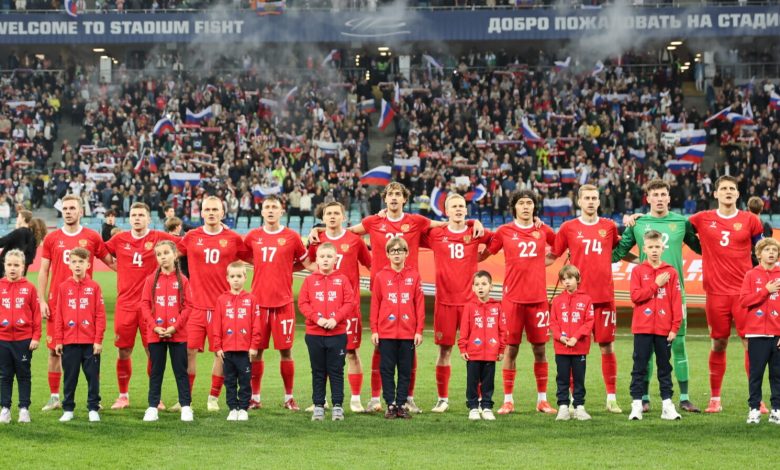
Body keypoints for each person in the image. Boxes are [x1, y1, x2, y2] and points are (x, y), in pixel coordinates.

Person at [309, 181, 482, 413]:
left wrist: (472, 222)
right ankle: (375, 398)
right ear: (385, 198)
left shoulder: (416, 221)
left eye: (398, 194)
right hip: (383, 290)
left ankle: (408, 398)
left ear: (404, 199)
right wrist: (319, 230)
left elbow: (448, 224)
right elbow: (344, 231)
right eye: (390, 194)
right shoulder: (373, 221)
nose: (393, 197)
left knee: (409, 346)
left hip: (409, 291)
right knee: (380, 345)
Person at [614, 179, 701, 413]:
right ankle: (644, 398)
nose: (660, 198)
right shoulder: (638, 223)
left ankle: (684, 398)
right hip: (647, 295)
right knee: (647, 349)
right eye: (655, 195)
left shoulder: (681, 222)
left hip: (675, 295)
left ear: (669, 198)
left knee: (678, 345)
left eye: (663, 194)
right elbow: (618, 252)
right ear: (648, 198)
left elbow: (702, 248)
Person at [689, 176, 765, 413]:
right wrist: (636, 217)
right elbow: (675, 226)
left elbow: (762, 250)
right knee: (718, 343)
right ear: (716, 194)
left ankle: (756, 399)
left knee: (750, 344)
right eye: (723, 188)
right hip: (716, 294)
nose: (728, 191)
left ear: (738, 194)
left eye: (732, 188)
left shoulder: (750, 220)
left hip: (744, 294)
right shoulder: (702, 218)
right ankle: (715, 399)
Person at [550, 184, 622, 413]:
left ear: (599, 201)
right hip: (577, 300)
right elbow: (553, 254)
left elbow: (620, 250)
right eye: (587, 198)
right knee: (572, 349)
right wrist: (527, 263)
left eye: (594, 198)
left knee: (607, 347)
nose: (591, 202)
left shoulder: (609, 226)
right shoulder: (568, 227)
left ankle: (611, 398)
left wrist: (643, 258)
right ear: (579, 201)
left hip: (604, 297)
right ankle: (572, 400)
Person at [38, 194, 113, 412]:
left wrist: (137, 273)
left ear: (81, 211)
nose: (68, 212)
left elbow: (111, 262)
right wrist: (41, 300)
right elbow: (43, 270)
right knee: (54, 351)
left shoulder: (92, 237)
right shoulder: (52, 238)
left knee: (92, 353)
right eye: (65, 208)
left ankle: (94, 398)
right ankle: (55, 397)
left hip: (86, 305)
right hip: (58, 304)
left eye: (72, 208)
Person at [486, 189, 557, 415]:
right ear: (514, 207)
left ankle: (542, 400)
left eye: (529, 203)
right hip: (512, 300)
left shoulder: (543, 230)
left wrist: (542, 262)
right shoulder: (504, 231)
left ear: (534, 207)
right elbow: (488, 250)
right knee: (511, 349)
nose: (526, 206)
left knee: (540, 349)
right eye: (521, 203)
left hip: (538, 299)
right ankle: (508, 401)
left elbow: (559, 247)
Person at [243, 196, 315, 411]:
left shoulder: (292, 236)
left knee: (286, 351)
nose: (271, 210)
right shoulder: (253, 236)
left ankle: (289, 397)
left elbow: (307, 262)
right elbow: (244, 255)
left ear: (281, 212)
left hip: (283, 303)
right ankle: (255, 397)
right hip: (258, 304)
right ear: (262, 212)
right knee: (256, 352)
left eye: (274, 207)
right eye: (267, 207)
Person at [176, 196, 248, 412]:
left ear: (222, 213)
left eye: (215, 210)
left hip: (222, 308)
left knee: (221, 354)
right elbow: (172, 252)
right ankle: (185, 399)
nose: (211, 213)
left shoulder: (233, 238)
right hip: (195, 307)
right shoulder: (191, 236)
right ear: (201, 213)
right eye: (207, 209)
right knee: (188, 352)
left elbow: (253, 257)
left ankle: (213, 398)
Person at [423, 194, 492, 413]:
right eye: (454, 206)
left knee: (477, 352)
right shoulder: (436, 234)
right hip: (445, 302)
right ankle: (442, 399)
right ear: (446, 211)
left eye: (462, 206)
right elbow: (413, 229)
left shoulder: (475, 232)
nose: (459, 209)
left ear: (466, 210)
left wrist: (483, 254)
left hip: (471, 303)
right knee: (445, 351)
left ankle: (479, 400)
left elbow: (497, 240)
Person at [105, 202, 177, 411]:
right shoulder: (119, 239)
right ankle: (123, 396)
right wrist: (117, 266)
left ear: (148, 218)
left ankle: (156, 397)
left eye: (141, 215)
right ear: (129, 219)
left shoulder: (158, 237)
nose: (137, 218)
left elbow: (183, 244)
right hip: (125, 304)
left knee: (152, 351)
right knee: (124, 350)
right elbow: (101, 251)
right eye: (134, 215)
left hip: (151, 306)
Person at [306, 202, 371, 413]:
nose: (332, 216)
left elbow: (370, 263)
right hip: (322, 310)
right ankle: (321, 399)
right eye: (328, 213)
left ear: (343, 217)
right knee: (322, 357)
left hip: (348, 309)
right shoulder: (317, 240)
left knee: (352, 352)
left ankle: (355, 399)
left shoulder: (355, 240)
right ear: (323, 218)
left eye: (336, 213)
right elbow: (309, 264)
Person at [627, 230, 683, 421]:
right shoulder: (638, 271)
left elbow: (676, 301)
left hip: (664, 329)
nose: (654, 250)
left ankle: (667, 406)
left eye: (657, 247)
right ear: (644, 249)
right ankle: (636, 406)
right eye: (650, 247)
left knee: (664, 368)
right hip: (642, 328)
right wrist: (656, 284)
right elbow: (635, 297)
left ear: (663, 248)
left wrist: (675, 327)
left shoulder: (671, 272)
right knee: (639, 367)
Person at [298, 243, 355, 421]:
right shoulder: (309, 280)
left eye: (329, 257)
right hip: (314, 334)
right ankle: (318, 406)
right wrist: (318, 319)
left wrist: (335, 319)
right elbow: (303, 303)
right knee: (318, 371)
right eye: (322, 256)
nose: (325, 260)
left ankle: (337, 406)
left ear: (335, 259)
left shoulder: (342, 280)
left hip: (337, 334)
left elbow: (349, 302)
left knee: (336, 370)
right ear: (317, 259)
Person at [370, 238, 425, 420]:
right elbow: (375, 304)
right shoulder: (381, 276)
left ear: (406, 253)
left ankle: (401, 404)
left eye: (400, 250)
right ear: (387, 254)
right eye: (393, 251)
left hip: (408, 333)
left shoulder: (414, 276)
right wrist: (374, 329)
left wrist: (419, 330)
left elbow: (419, 304)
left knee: (405, 370)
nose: (396, 254)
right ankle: (390, 404)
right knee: (386, 369)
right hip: (386, 332)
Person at [140, 240, 194, 422]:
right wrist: (154, 327)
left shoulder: (183, 280)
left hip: (178, 334)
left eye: (166, 253)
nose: (162, 257)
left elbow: (188, 306)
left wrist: (174, 327)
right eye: (159, 254)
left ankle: (185, 406)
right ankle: (152, 407)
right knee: (156, 372)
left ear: (175, 255)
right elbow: (144, 305)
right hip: (155, 335)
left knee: (181, 371)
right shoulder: (150, 280)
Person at [52, 248, 107, 423]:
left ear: (88, 265)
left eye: (81, 262)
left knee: (92, 377)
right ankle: (68, 409)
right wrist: (59, 340)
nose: (77, 265)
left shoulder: (94, 287)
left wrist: (98, 340)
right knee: (70, 377)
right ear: (69, 264)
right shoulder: (63, 287)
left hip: (90, 343)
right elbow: (59, 315)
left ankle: (93, 408)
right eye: (74, 262)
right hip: (69, 342)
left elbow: (100, 315)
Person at [212, 262, 262, 422]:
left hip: (245, 350)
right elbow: (216, 325)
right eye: (232, 276)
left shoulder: (251, 299)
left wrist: (254, 346)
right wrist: (217, 346)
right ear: (227, 278)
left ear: (245, 277)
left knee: (245, 381)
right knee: (230, 381)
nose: (236, 279)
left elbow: (257, 325)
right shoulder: (221, 300)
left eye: (239, 276)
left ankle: (243, 409)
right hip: (227, 350)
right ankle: (233, 408)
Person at [739, 238, 780, 424]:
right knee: (755, 375)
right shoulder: (751, 275)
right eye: (767, 249)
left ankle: (777, 410)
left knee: (777, 375)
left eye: (774, 250)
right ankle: (754, 409)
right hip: (756, 334)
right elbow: (744, 301)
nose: (771, 253)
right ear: (758, 254)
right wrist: (766, 290)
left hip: (777, 335)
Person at [458, 270, 506, 421]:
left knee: (488, 382)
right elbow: (464, 330)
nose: (480, 287)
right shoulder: (469, 307)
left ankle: (486, 407)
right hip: (473, 353)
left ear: (491, 287)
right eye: (477, 284)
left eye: (484, 284)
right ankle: (473, 407)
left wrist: (501, 349)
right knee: (472, 382)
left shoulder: (497, 307)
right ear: (473, 288)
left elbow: (502, 330)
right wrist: (463, 348)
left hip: (491, 353)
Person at [0, 250, 41, 424]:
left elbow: (36, 314)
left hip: (24, 340)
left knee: (24, 375)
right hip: (3, 340)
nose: (12, 268)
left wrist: (36, 337)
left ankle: (24, 409)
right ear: (4, 266)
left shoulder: (30, 288)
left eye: (16, 265)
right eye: (9, 264)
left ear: (23, 267)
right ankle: (5, 409)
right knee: (4, 375)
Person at [550, 265, 595, 421]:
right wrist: (560, 337)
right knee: (562, 378)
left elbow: (589, 322)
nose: (567, 282)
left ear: (578, 279)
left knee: (578, 378)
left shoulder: (586, 299)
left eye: (570, 278)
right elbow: (553, 323)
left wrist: (575, 337)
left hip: (579, 348)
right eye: (563, 279)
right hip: (561, 348)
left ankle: (579, 407)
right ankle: (563, 407)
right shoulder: (557, 301)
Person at [0, 209, 47, 278]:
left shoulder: (18, 232)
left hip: (7, 268)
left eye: (18, 216)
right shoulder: (32, 235)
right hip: (21, 269)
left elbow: (1, 242)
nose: (17, 218)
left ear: (23, 219)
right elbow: (31, 256)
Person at [746, 196, 774, 267]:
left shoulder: (743, 224)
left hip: (746, 261)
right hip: (761, 262)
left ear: (748, 208)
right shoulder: (766, 226)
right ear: (762, 208)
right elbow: (768, 244)